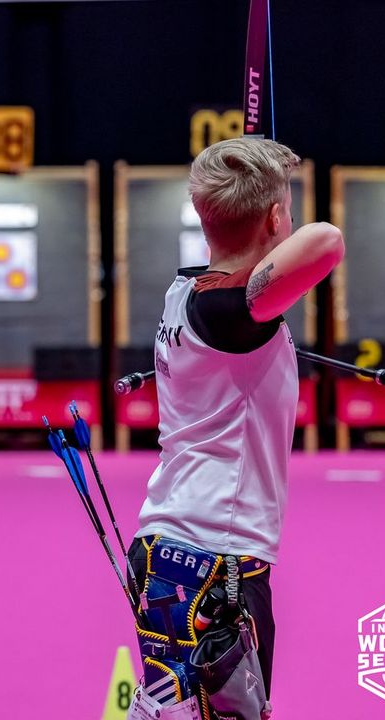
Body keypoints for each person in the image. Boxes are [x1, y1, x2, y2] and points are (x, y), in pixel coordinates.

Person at [127, 137, 344, 718]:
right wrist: (272, 221)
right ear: (276, 216)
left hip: (170, 548)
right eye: (285, 208)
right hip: (214, 563)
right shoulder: (227, 312)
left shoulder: (191, 292)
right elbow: (326, 241)